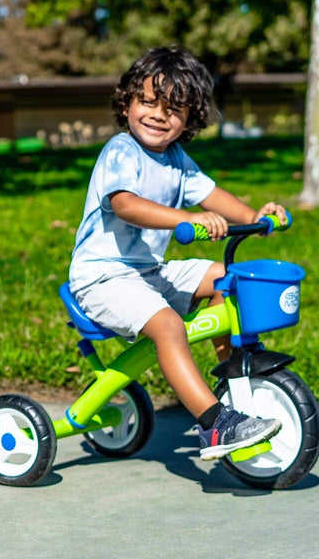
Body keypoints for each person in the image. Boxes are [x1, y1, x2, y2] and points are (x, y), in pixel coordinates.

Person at [68, 46, 285, 460]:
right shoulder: (120, 151)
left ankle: (233, 379)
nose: (157, 114)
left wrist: (255, 216)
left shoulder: (176, 159)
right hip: (101, 279)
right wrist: (187, 218)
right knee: (169, 326)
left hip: (148, 272)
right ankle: (216, 426)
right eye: (147, 101)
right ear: (127, 102)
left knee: (226, 277)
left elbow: (214, 195)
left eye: (173, 109)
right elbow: (125, 204)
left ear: (189, 119)